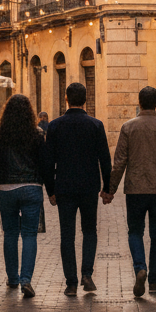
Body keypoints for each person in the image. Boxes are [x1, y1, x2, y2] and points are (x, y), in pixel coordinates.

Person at [106, 86, 156, 298]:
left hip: (135, 189)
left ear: (139, 102)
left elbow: (119, 162)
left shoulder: (128, 127)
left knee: (135, 232)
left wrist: (110, 190)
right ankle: (154, 281)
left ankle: (140, 268)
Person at [0, 95, 53, 298]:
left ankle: (12, 278)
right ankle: (26, 280)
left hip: (6, 189)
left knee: (10, 234)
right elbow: (45, 165)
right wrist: (51, 191)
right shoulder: (37, 135)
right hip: (32, 188)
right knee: (30, 234)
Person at [45, 83, 112, 296]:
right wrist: (108, 188)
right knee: (89, 230)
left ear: (66, 99)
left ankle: (71, 283)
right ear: (85, 100)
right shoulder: (95, 125)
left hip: (64, 187)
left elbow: (48, 162)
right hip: (89, 187)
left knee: (67, 235)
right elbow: (105, 159)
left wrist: (50, 189)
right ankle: (87, 274)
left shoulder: (55, 126)